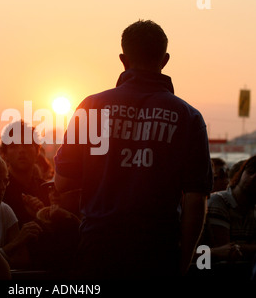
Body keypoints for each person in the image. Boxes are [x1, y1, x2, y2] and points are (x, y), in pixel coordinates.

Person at [54, 20, 213, 279]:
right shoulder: (188, 116)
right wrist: (182, 263)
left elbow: (62, 182)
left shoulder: (91, 107)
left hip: (99, 247)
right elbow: (196, 200)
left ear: (123, 59)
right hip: (158, 250)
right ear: (165, 59)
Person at [202, 155, 256, 276]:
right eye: (251, 170)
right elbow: (227, 252)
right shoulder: (220, 201)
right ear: (242, 171)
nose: (253, 177)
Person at [0, 120, 50, 227]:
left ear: (37, 151)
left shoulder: (47, 191)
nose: (21, 150)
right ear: (5, 154)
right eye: (13, 146)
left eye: (27, 144)